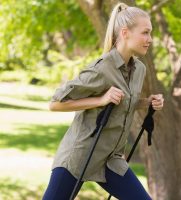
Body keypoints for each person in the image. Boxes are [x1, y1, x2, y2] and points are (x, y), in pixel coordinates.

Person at [42, 2, 164, 200]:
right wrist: (100, 99)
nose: (150, 39)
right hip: (79, 155)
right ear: (125, 33)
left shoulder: (139, 69)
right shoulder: (102, 68)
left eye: (150, 33)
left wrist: (147, 102)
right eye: (145, 33)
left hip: (110, 160)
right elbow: (55, 103)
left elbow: (124, 103)